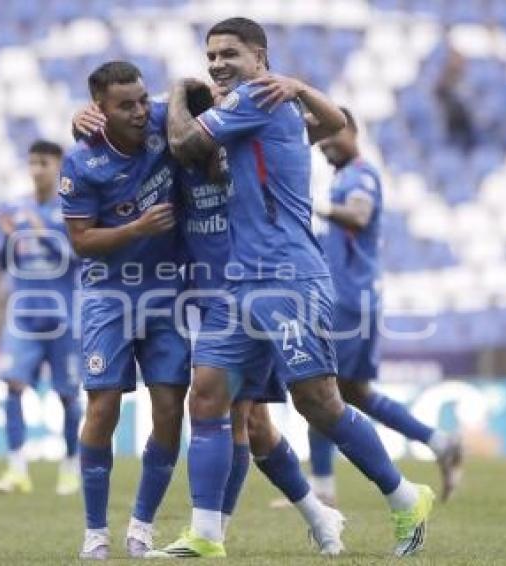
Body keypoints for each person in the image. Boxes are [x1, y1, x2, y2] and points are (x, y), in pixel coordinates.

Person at [151, 18, 433, 558]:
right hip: (241, 279)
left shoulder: (255, 96)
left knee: (318, 402)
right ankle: (206, 534)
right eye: (210, 56)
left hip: (287, 276)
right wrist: (302, 90)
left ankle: (405, 497)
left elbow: (184, 142)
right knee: (206, 396)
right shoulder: (260, 105)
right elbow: (329, 124)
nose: (216, 64)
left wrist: (177, 91)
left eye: (229, 54)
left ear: (260, 58)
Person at [73, 81, 346, 556]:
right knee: (248, 422)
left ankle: (220, 531)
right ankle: (315, 517)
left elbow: (323, 127)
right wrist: (84, 120)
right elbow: (129, 121)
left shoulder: (247, 152)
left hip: (250, 295)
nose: (217, 123)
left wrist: (298, 90)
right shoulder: (179, 157)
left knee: (246, 421)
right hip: (201, 302)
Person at [60, 61, 191, 559]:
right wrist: (137, 229)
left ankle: (142, 525)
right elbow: (80, 241)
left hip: (166, 292)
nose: (140, 112)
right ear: (100, 109)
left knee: (169, 410)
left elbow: (202, 101)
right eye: (125, 106)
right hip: (108, 295)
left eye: (142, 100)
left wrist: (179, 92)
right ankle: (95, 531)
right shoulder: (81, 162)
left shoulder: (163, 120)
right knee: (103, 408)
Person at [307, 107, 463, 505]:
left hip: (348, 300)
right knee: (355, 393)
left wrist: (312, 205)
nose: (324, 145)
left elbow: (359, 215)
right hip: (355, 297)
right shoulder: (344, 177)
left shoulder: (361, 175)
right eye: (319, 139)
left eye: (331, 135)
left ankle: (323, 490)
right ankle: (439, 442)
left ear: (352, 132)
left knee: (318, 387)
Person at [0, 140, 82, 498]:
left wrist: (40, 232)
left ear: (58, 167)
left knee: (68, 396)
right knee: (13, 386)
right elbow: (3, 263)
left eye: (43, 163)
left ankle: (70, 467)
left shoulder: (71, 209)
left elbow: (76, 257)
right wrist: (9, 238)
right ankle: (16, 469)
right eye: (32, 163)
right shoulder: (16, 209)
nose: (36, 170)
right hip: (24, 318)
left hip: (64, 318)